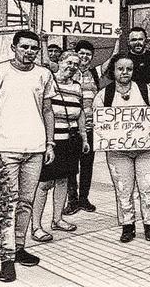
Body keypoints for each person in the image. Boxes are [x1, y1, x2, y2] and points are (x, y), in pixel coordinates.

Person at [0, 30, 56, 283]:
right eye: (24, 47)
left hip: (35, 149)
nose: (30, 52)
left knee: (26, 202)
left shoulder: (44, 74)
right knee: (7, 204)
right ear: (14, 47)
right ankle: (6, 258)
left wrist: (49, 143)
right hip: (6, 149)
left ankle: (20, 247)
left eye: (34, 48)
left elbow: (47, 111)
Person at [95, 53, 150, 243]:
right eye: (120, 69)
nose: (125, 72)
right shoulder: (104, 95)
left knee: (148, 188)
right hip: (118, 153)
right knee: (123, 190)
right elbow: (97, 121)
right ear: (113, 71)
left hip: (145, 150)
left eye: (129, 69)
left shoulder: (144, 89)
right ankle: (127, 225)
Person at [30, 51, 90, 243]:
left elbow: (80, 112)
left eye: (76, 64)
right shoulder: (48, 82)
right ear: (60, 62)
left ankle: (57, 219)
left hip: (71, 141)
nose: (72, 66)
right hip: (51, 141)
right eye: (69, 62)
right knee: (44, 183)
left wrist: (84, 137)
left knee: (64, 180)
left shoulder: (77, 86)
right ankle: (36, 226)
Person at [63, 40, 104, 215]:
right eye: (82, 53)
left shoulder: (94, 73)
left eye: (88, 54)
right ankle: (72, 200)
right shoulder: (68, 72)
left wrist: (118, 39)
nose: (85, 57)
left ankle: (84, 199)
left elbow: (111, 60)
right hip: (71, 127)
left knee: (87, 164)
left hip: (90, 126)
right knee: (71, 165)